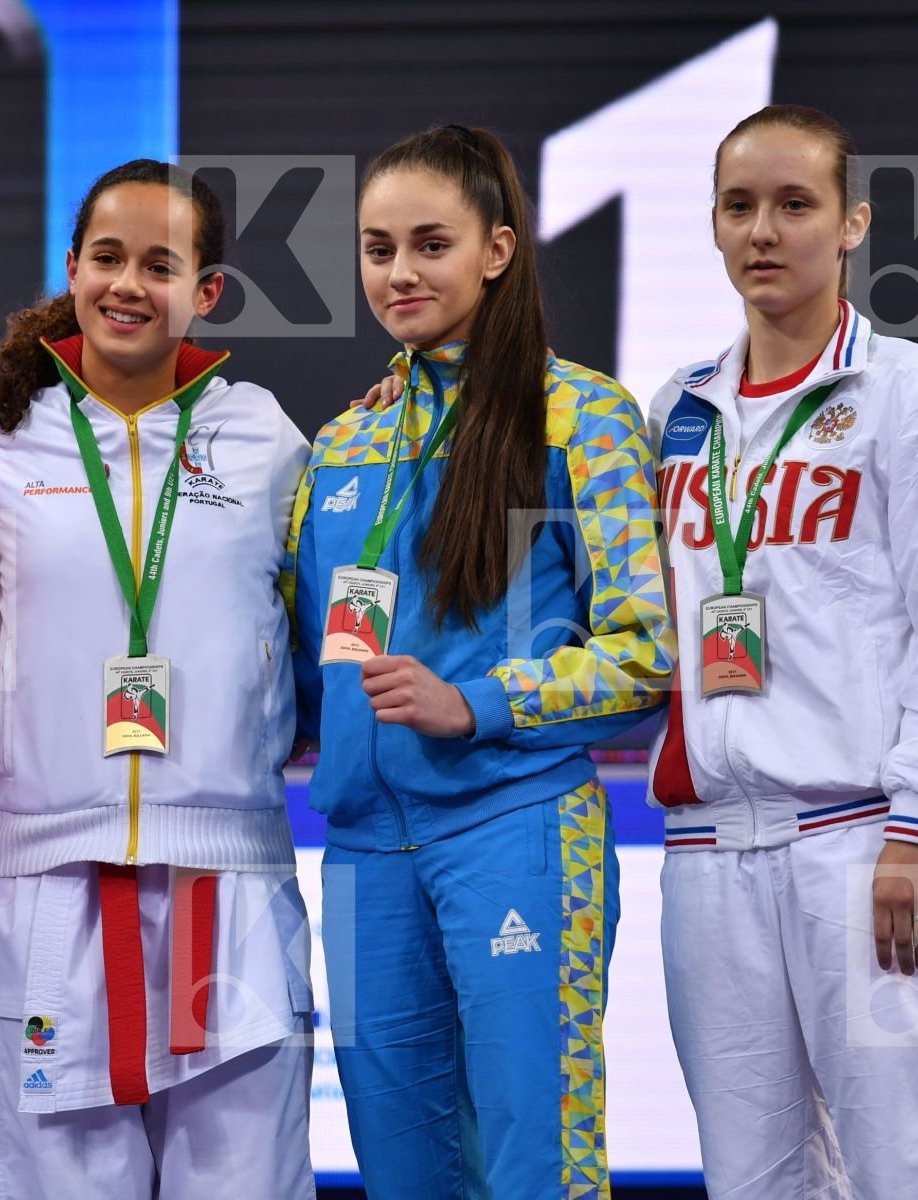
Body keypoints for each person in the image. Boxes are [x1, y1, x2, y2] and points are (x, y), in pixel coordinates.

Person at [286, 123, 674, 1200]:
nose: (399, 273)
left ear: (497, 250)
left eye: (429, 243)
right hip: (363, 852)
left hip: (516, 825)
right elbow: (292, 661)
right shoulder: (340, 444)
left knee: (534, 1166)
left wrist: (482, 703)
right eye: (376, 249)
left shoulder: (584, 416)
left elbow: (647, 654)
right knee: (401, 1172)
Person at [646, 103, 918, 1198]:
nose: (764, 230)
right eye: (739, 205)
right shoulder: (679, 412)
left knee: (912, 1172)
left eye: (794, 204)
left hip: (863, 842)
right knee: (751, 1182)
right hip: (708, 856)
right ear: (712, 225)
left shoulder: (911, 391)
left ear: (851, 224)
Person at [0, 159, 316, 1199]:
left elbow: (319, 614)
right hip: (51, 890)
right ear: (70, 270)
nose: (128, 283)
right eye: (107, 257)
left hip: (228, 884)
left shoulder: (267, 440)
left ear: (204, 292)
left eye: (162, 264)